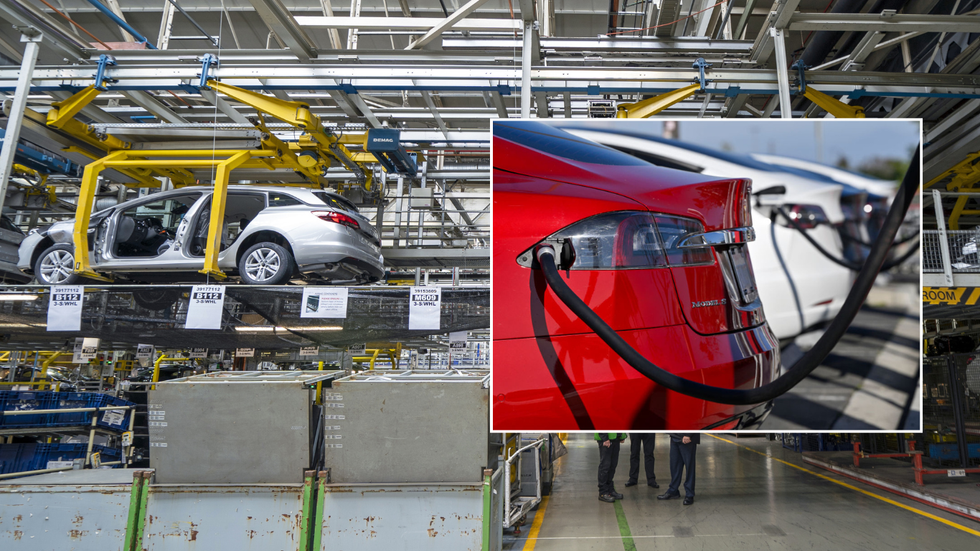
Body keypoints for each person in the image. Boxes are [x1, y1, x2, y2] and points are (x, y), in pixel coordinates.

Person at [657, 433, 699, 505]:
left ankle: (689, 494)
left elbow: (694, 421)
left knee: (689, 467)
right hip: (675, 436)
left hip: (687, 438)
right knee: (674, 465)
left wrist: (689, 435)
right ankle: (673, 490)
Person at [595, 433, 627, 503]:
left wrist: (621, 435)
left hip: (615, 438)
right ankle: (603, 492)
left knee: (612, 465)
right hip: (606, 439)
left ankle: (609, 490)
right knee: (605, 466)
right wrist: (605, 438)